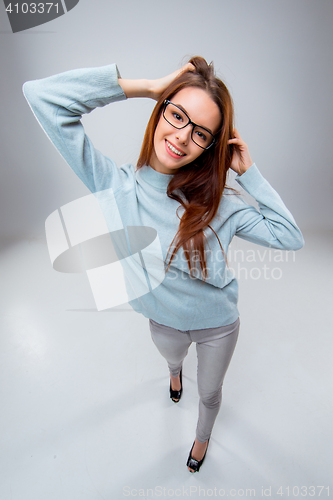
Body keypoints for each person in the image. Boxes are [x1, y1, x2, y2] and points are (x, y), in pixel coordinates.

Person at [23, 57, 304, 473]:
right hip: (162, 322)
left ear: (210, 146)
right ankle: (174, 374)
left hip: (217, 325)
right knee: (172, 360)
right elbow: (42, 97)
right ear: (161, 110)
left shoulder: (218, 203)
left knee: (209, 395)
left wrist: (250, 175)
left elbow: (289, 236)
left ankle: (202, 439)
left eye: (201, 133)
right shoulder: (115, 186)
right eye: (176, 114)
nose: (182, 137)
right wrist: (147, 86)